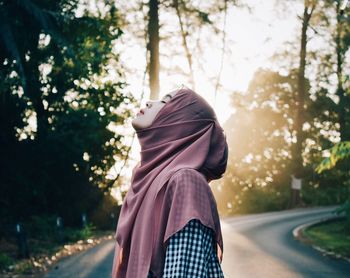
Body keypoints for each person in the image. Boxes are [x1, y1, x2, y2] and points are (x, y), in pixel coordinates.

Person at [112, 86, 228, 277]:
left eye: (164, 101)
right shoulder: (144, 179)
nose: (150, 101)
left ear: (180, 122)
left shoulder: (186, 181)